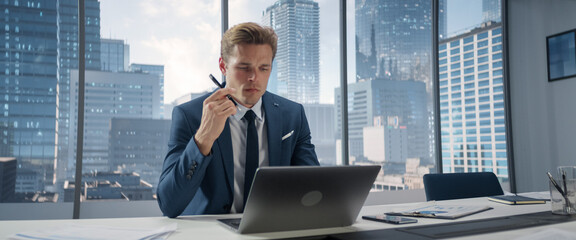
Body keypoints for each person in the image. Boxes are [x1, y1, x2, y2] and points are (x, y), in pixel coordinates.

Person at [156, 22, 319, 217]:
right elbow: (168, 204)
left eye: (264, 68)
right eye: (244, 67)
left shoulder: (293, 115)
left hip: (273, 228)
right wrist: (203, 138)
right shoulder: (190, 116)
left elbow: (314, 188)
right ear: (223, 66)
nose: (254, 77)